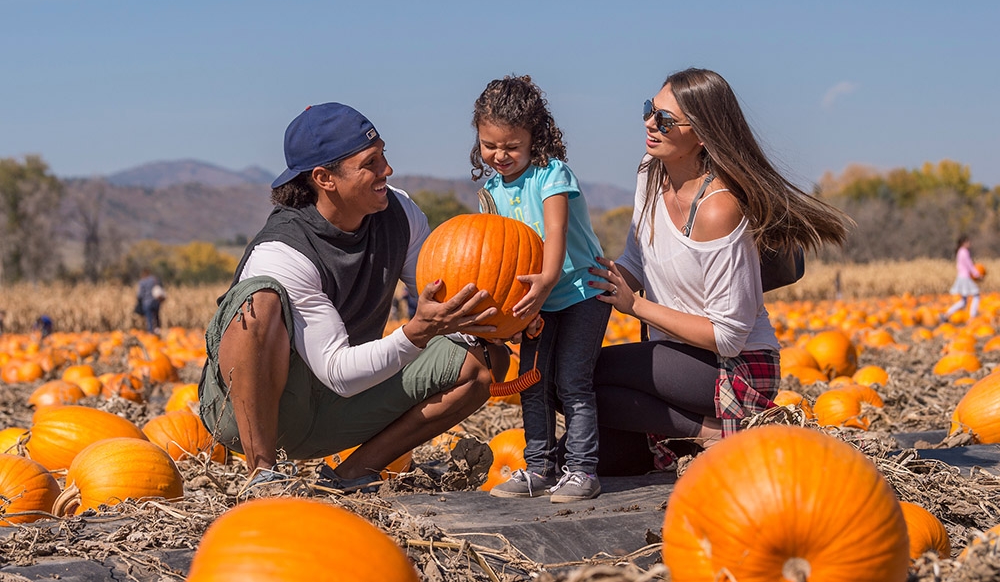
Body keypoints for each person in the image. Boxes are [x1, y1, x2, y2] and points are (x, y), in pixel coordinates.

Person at [197, 102, 509, 494]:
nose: (387, 170)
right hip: (265, 412)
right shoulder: (283, 252)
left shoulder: (401, 215)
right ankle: (262, 475)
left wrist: (499, 322)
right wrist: (415, 333)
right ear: (324, 177)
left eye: (383, 155)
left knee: (476, 366)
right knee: (258, 304)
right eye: (371, 163)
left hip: (338, 408)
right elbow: (338, 372)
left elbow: (441, 296)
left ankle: (353, 474)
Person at [588, 68, 851, 475]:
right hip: (677, 358)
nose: (648, 124)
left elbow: (727, 337)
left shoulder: (719, 208)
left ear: (703, 135)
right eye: (649, 109)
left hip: (738, 368)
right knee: (572, 403)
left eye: (665, 120)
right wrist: (583, 284)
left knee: (589, 374)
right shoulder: (650, 171)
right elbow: (635, 262)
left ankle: (713, 433)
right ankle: (668, 445)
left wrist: (634, 307)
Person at [471, 75, 612, 502]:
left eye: (511, 147)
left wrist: (548, 279)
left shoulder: (552, 174)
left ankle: (583, 470)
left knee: (572, 382)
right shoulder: (491, 192)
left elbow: (556, 230)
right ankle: (538, 469)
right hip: (535, 303)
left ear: (535, 138)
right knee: (531, 381)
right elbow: (496, 255)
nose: (499, 155)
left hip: (581, 293)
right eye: (489, 145)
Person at [942, 235, 982, 321]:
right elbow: (969, 265)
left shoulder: (960, 252)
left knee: (963, 302)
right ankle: (972, 317)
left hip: (961, 277)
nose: (970, 243)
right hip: (965, 278)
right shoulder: (964, 252)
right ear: (963, 243)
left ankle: (946, 315)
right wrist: (977, 275)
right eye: (968, 242)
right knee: (976, 295)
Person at [136, 269, 166, 334]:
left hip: (147, 302)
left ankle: (151, 332)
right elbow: (161, 287)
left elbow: (140, 294)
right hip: (156, 301)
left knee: (149, 318)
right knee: (156, 316)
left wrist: (139, 301)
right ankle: (158, 330)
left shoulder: (142, 282)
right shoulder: (155, 280)